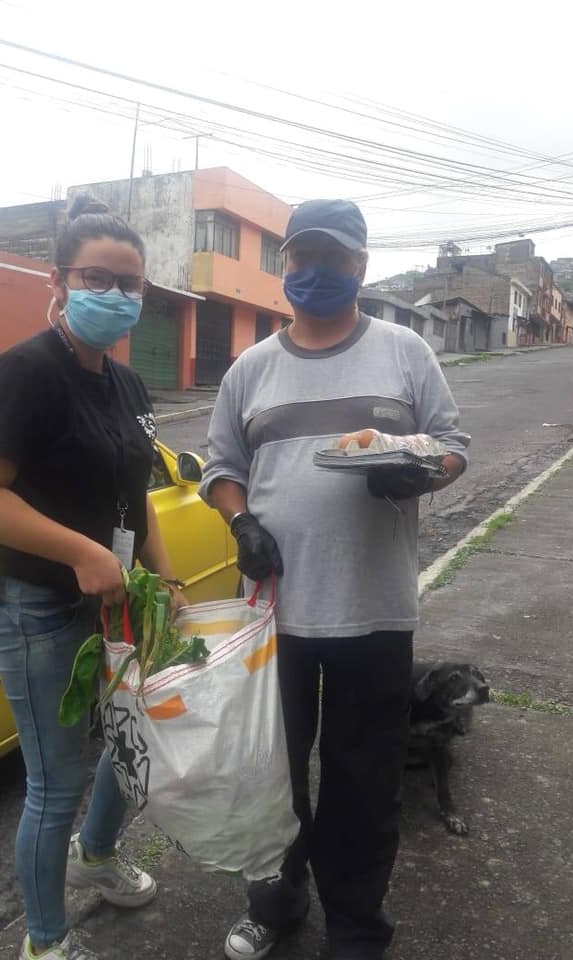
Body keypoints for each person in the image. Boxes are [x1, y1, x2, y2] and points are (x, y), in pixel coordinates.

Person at [200, 199, 470, 960]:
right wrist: (241, 523)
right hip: (273, 612)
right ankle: (275, 905)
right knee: (270, 777)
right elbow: (222, 467)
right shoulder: (251, 368)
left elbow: (453, 445)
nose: (316, 271)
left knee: (363, 781)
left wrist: (419, 474)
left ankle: (355, 928)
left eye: (335, 258)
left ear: (361, 266)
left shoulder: (404, 352)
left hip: (373, 610)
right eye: (303, 258)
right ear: (284, 265)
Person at [0, 194, 185, 960]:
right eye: (97, 278)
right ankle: (45, 943)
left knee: (130, 739)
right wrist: (82, 554)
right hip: (37, 608)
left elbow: (135, 498)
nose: (115, 295)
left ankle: (97, 855)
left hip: (117, 603)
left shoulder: (127, 386)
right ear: (59, 280)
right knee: (54, 785)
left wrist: (166, 576)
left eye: (130, 283)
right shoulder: (25, 372)